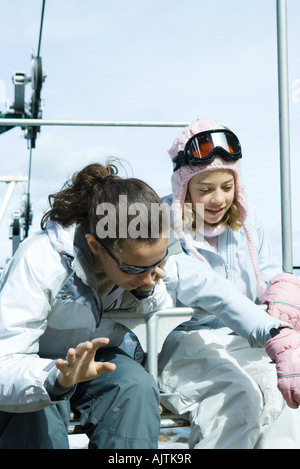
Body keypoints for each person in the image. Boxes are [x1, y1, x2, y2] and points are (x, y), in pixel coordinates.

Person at [0, 160, 172, 449]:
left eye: (158, 263)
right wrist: (55, 379)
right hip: (37, 366)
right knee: (39, 410)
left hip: (96, 360)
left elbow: (156, 305)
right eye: (135, 269)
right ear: (94, 245)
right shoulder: (40, 260)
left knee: (135, 388)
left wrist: (145, 290)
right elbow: (5, 360)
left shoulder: (142, 262)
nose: (149, 276)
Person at [158, 116, 300, 449]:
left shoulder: (248, 225)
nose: (218, 199)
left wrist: (282, 293)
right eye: (205, 189)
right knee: (237, 399)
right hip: (184, 344)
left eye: (226, 186)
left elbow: (266, 272)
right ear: (184, 187)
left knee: (284, 397)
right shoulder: (163, 226)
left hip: (241, 341)